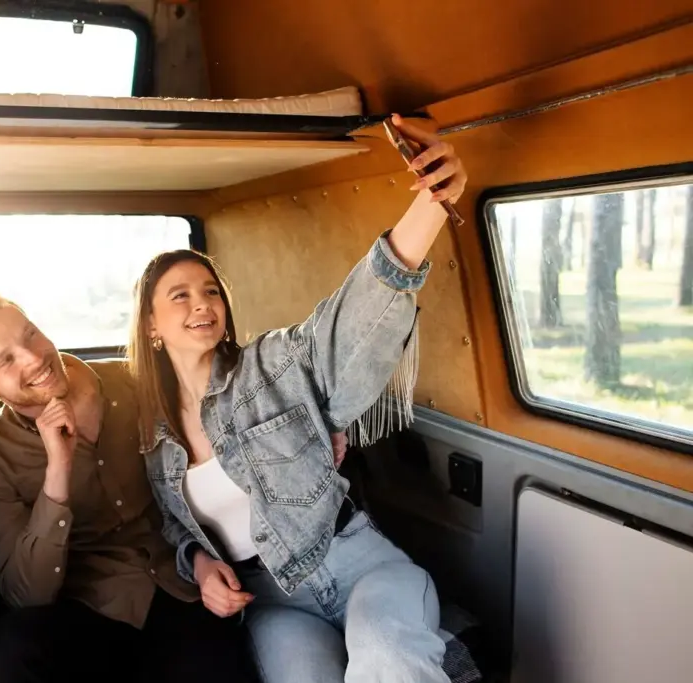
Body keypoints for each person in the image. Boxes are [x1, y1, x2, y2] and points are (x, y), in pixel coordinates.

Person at [127, 114, 468, 683]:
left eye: (211, 291)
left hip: (359, 564)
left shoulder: (270, 364)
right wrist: (200, 566)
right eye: (179, 296)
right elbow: (173, 526)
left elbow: (350, 324)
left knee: (385, 655)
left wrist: (433, 201)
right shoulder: (152, 436)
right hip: (273, 601)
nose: (202, 303)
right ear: (151, 326)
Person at [0, 296, 258, 683]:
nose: (33, 358)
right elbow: (25, 594)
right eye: (6, 360)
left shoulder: (137, 381)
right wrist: (58, 470)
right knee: (1, 655)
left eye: (30, 335)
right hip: (91, 610)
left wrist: (201, 557)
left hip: (183, 584)